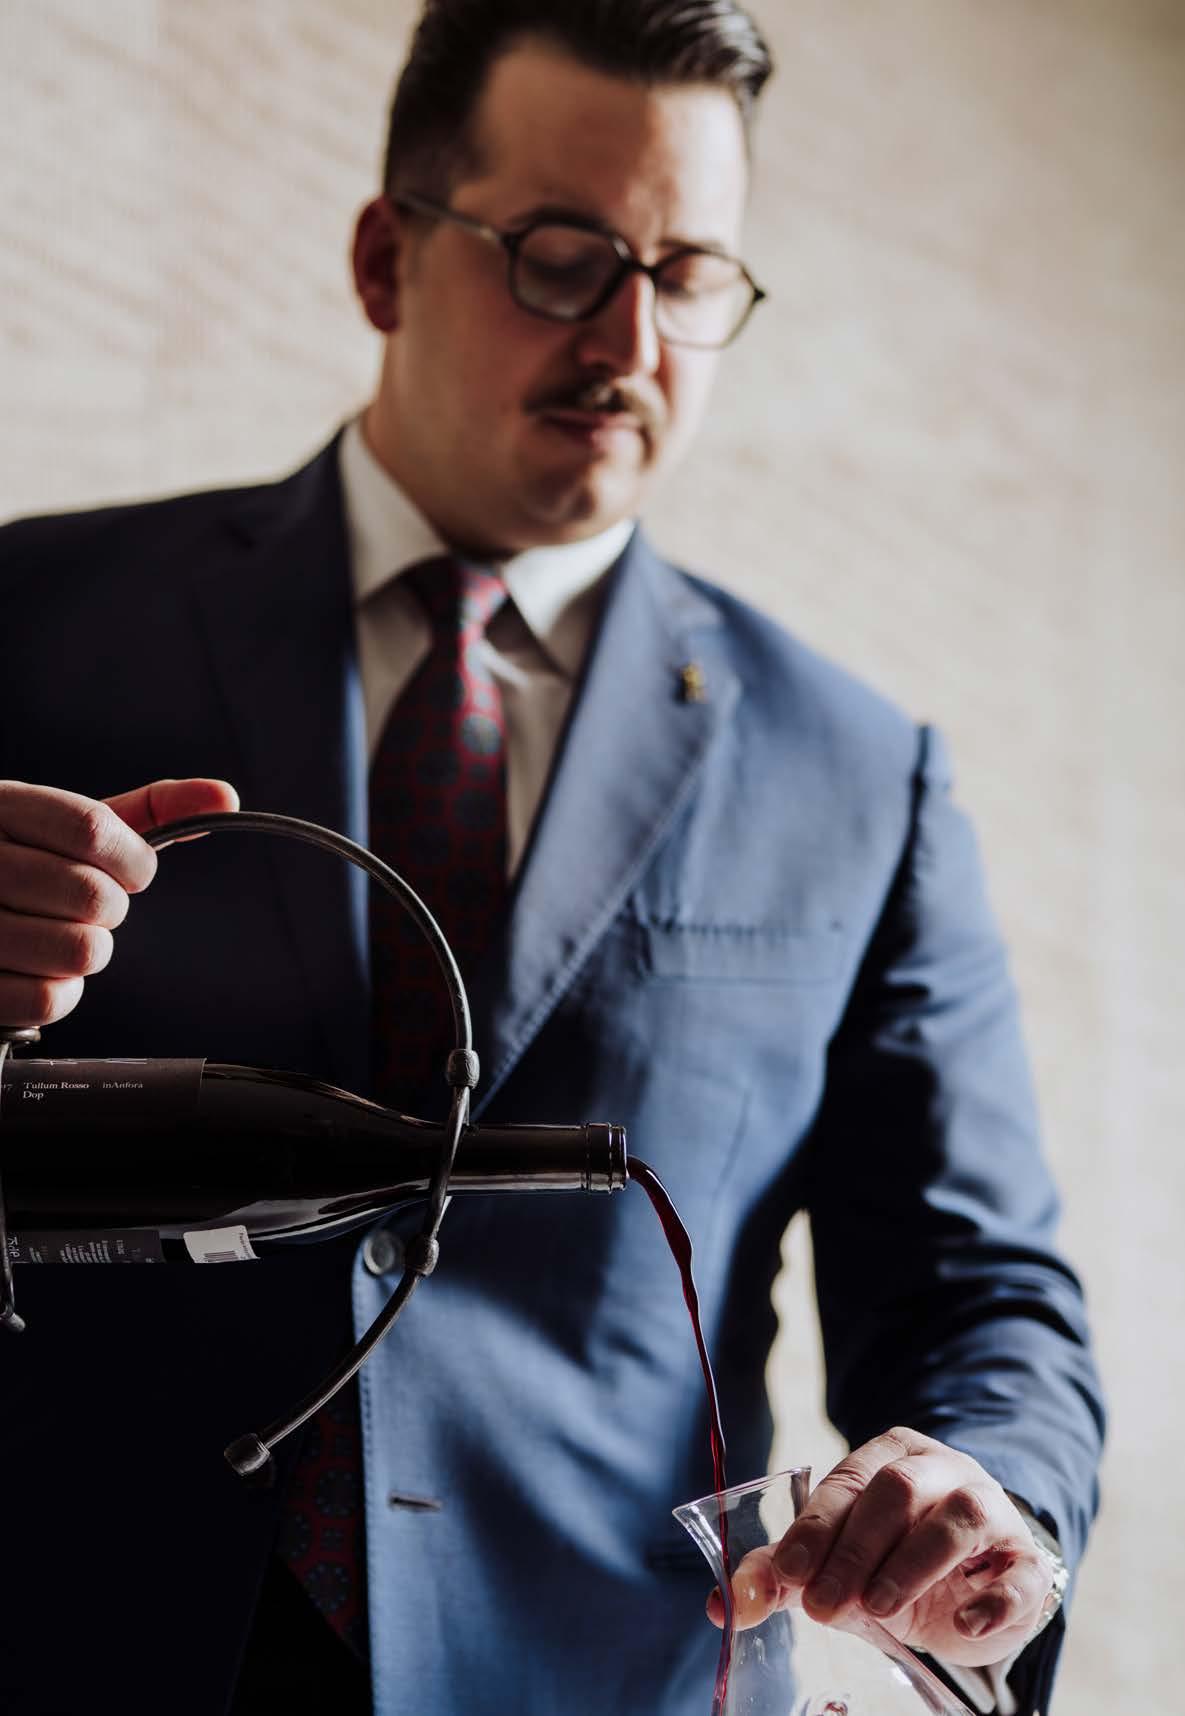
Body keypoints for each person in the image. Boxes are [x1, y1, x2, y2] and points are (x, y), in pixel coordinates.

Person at [0, 4, 1103, 1714]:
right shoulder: (33, 619)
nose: (631, 341)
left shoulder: (857, 768)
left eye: (689, 274)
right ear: (385, 260)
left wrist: (986, 1490)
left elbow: (977, 1288)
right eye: (563, 259)